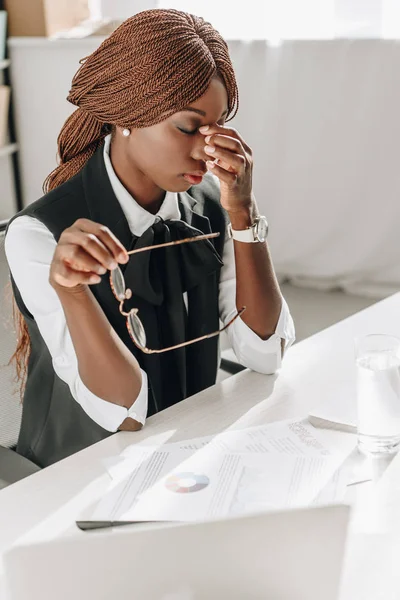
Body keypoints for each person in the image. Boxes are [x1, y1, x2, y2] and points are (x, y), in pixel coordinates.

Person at [5, 8, 295, 469]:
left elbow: (265, 354)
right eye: (187, 126)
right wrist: (73, 292)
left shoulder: (214, 207)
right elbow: (123, 413)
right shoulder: (37, 235)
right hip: (77, 472)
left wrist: (244, 215)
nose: (206, 147)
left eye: (216, 126)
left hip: (186, 454)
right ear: (126, 116)